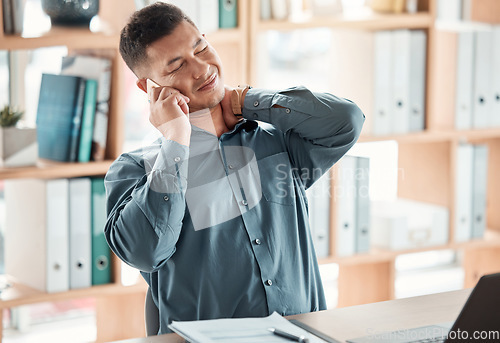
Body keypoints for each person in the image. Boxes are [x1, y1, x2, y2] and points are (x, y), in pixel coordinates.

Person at [104, 2, 365, 335]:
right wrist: (176, 141)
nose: (201, 69)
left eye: (201, 47)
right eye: (178, 65)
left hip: (302, 335)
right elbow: (147, 252)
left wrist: (246, 100)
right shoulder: (135, 171)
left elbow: (346, 122)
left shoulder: (276, 144)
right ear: (149, 87)